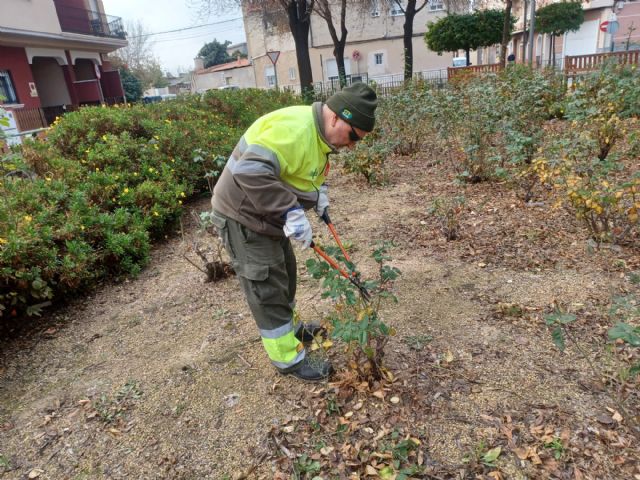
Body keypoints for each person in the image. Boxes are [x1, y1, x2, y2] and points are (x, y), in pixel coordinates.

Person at [210, 83, 378, 381]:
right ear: (338, 117)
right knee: (267, 286)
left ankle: (292, 330)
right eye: (353, 137)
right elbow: (249, 171)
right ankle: (288, 359)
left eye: (358, 142)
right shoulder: (297, 131)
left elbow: (306, 170)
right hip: (243, 216)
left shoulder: (321, 136)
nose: (352, 146)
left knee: (284, 274)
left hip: (266, 215)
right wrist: (290, 210)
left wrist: (318, 197)